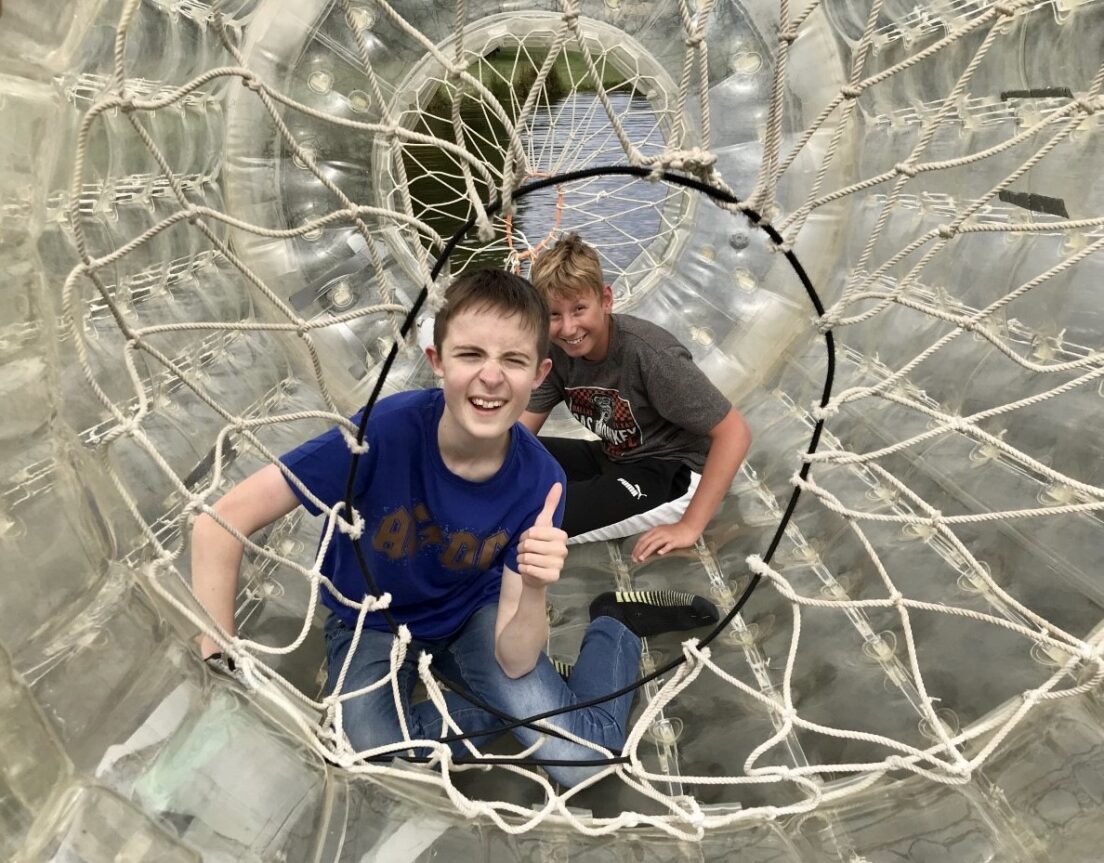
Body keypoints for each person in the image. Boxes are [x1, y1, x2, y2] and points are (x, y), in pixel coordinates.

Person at [190, 268, 719, 787]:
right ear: (438, 362)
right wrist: (219, 652)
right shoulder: (383, 431)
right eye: (471, 355)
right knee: (370, 755)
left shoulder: (541, 482)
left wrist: (534, 586)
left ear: (538, 375)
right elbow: (220, 523)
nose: (491, 376)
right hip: (369, 617)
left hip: (473, 611)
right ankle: (506, 712)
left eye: (513, 360)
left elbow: (515, 658)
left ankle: (612, 626)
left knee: (584, 759)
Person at [520, 234, 752, 562]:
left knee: (531, 523)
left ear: (606, 300)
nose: (569, 328)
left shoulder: (651, 354)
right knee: (511, 455)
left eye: (579, 309)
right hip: (613, 456)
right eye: (554, 315)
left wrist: (690, 526)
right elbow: (519, 434)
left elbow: (734, 432)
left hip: (672, 472)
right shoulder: (556, 351)